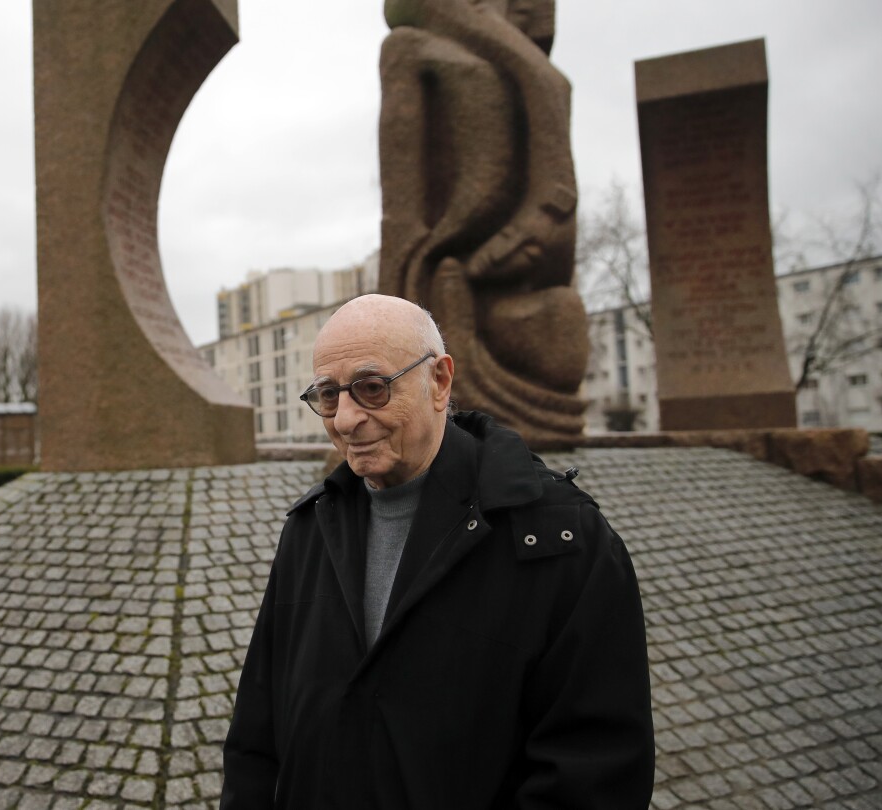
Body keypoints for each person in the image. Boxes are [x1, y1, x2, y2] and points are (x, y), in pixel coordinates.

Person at [221, 294, 654, 809]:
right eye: (329, 395)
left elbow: (594, 770)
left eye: (372, 388)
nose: (346, 419)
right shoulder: (309, 527)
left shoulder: (561, 538)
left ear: (440, 381)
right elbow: (257, 732)